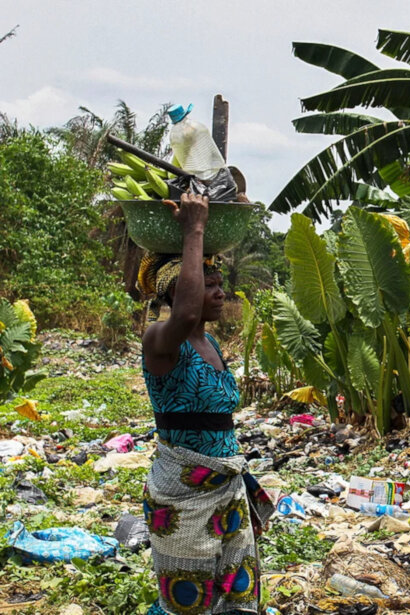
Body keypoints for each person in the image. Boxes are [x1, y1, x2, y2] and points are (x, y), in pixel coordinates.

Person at [138, 193, 273, 615]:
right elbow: (182, 317)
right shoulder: (160, 340)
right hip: (183, 496)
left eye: (218, 284)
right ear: (176, 294)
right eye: (207, 284)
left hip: (225, 487)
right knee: (190, 600)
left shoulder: (210, 341)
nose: (219, 293)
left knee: (237, 594)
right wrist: (194, 229)